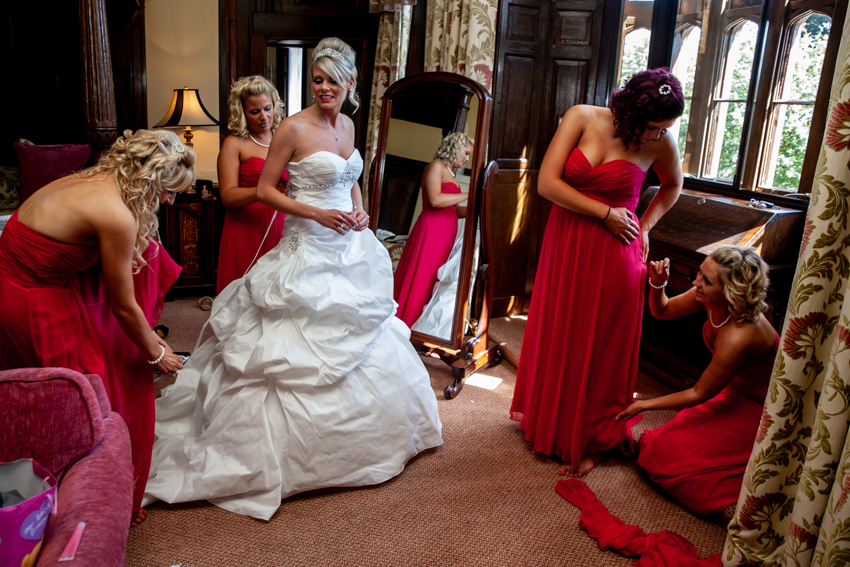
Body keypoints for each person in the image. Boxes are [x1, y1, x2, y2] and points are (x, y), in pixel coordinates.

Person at [145, 37, 443, 521]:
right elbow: (264, 188)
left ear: (350, 82)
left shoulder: (348, 125)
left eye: (331, 80)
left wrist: (361, 210)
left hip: (350, 250)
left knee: (367, 335)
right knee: (283, 346)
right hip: (306, 246)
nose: (323, 88)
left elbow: (351, 178)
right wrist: (316, 213)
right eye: (316, 80)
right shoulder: (292, 127)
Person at [0, 129, 192, 524]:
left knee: (55, 394)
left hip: (26, 281)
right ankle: (79, 506)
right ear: (151, 179)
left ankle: (72, 491)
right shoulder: (116, 215)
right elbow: (123, 306)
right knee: (81, 394)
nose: (171, 201)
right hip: (32, 298)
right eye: (170, 191)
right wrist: (157, 353)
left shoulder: (97, 177)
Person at [510, 68, 685, 477]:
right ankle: (551, 422)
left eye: (665, 129)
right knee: (563, 331)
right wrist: (604, 211)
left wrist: (643, 225)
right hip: (567, 242)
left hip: (617, 250)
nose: (657, 135)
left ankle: (595, 438)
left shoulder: (662, 143)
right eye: (654, 127)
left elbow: (673, 186)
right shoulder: (582, 117)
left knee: (605, 344)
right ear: (633, 111)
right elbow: (547, 185)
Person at [615, 246, 779, 515]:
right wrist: (658, 284)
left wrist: (642, 405)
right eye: (699, 274)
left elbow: (698, 392)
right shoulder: (710, 298)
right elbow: (663, 311)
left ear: (730, 292)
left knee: (682, 471)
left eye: (706, 281)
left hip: (762, 407)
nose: (695, 283)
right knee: (661, 449)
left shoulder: (740, 336)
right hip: (733, 390)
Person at [216, 75, 289, 293]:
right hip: (245, 227)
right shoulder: (234, 144)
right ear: (242, 113)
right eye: (254, 112)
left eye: (267, 108)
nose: (264, 116)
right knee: (244, 294)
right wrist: (263, 192)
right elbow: (227, 196)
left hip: (281, 224)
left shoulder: (285, 139)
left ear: (275, 105)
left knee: (279, 292)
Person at [393, 133, 472, 327]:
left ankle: (418, 325)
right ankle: (404, 321)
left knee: (433, 278)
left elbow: (452, 210)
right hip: (432, 231)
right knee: (422, 275)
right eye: (466, 153)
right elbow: (436, 200)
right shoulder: (436, 167)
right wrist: (470, 194)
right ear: (455, 148)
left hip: (446, 232)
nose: (467, 159)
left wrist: (478, 206)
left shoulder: (451, 174)